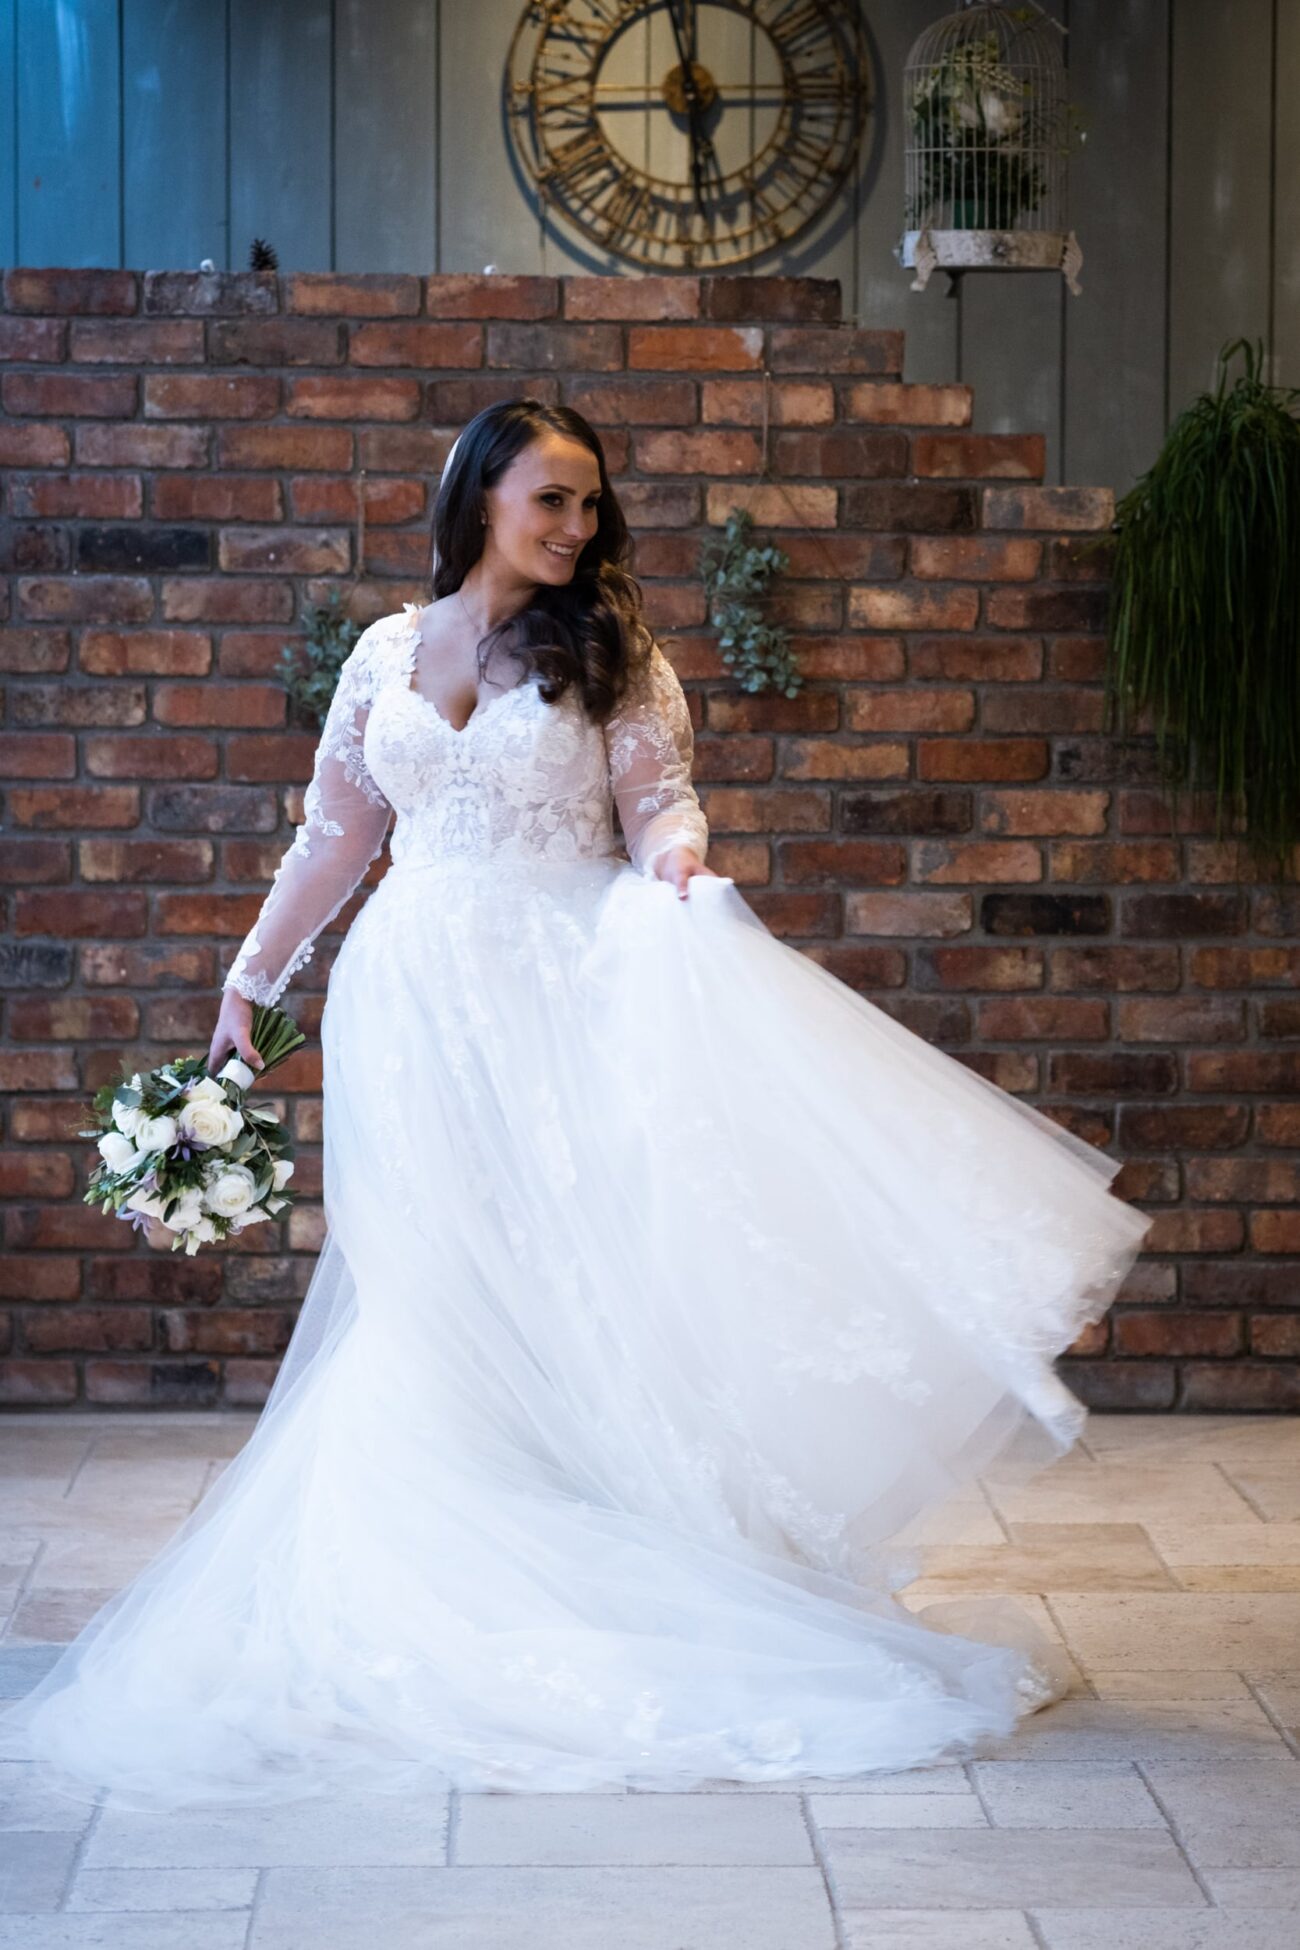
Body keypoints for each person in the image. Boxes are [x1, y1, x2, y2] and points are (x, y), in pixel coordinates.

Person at [4, 398, 1152, 1811]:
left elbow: (664, 802)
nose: (574, 527)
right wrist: (251, 976)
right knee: (428, 1293)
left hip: (562, 992)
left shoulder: (612, 651)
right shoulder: (386, 652)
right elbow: (335, 834)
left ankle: (592, 1544)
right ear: (480, 495)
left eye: (590, 505)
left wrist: (676, 866)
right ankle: (426, 1563)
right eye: (551, 499)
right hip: (408, 1008)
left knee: (564, 1277)